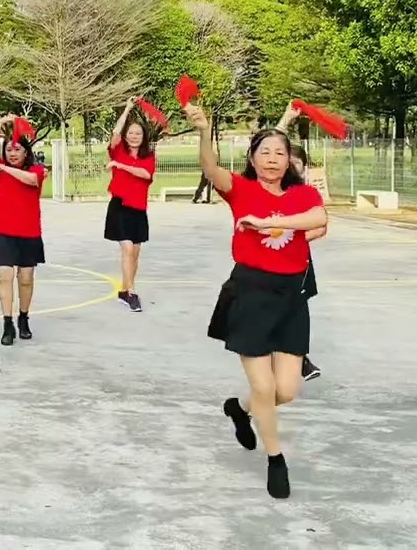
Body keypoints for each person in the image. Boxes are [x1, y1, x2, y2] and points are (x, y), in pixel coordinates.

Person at [188, 103, 327, 500]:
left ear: (289, 160)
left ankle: (239, 408)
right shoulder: (241, 190)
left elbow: (318, 218)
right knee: (264, 387)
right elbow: (211, 169)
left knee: (286, 390)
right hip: (250, 293)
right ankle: (275, 459)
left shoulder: (301, 195)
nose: (272, 159)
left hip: (291, 298)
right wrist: (203, 131)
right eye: (264, 152)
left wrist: (269, 223)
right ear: (252, 158)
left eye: (280, 152)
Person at [0, 114, 47, 346]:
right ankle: (7, 322)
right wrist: (0, 124)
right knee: (5, 276)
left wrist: (3, 168)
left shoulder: (37, 170)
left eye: (17, 149)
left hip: (29, 232)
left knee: (26, 278)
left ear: (25, 152)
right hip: (2, 231)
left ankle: (23, 318)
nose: (12, 153)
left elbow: (31, 180)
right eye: (8, 149)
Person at [278, 102, 326, 381]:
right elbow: (264, 143)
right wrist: (286, 119)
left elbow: (320, 227)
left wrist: (292, 237)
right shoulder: (270, 189)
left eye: (298, 165)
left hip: (298, 260)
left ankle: (300, 358)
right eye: (289, 163)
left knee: (297, 310)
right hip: (267, 262)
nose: (293, 169)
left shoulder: (307, 196)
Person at [104, 98, 157, 312]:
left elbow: (146, 174)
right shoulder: (118, 151)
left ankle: (125, 290)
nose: (134, 136)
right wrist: (126, 109)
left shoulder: (148, 157)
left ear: (143, 137)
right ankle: (132, 293)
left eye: (138, 133)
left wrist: (120, 166)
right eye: (131, 133)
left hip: (138, 208)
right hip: (120, 206)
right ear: (126, 135)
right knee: (126, 248)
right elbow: (115, 133)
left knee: (134, 252)